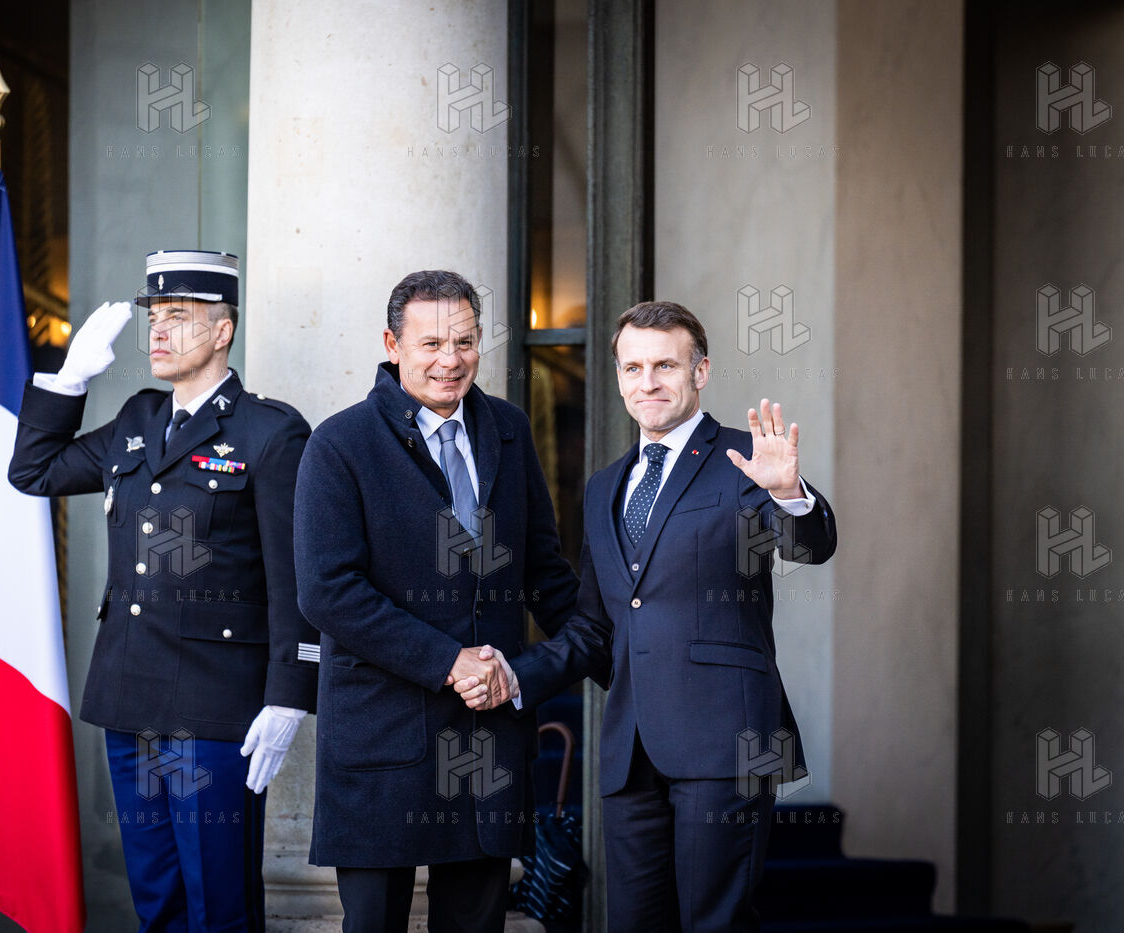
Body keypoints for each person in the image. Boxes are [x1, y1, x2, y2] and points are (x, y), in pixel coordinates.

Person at [8, 250, 319, 933]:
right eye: (154, 317)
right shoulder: (137, 419)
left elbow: (294, 578)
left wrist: (289, 695)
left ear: (222, 330)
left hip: (213, 707)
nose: (158, 331)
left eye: (178, 316)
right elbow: (34, 471)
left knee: (220, 909)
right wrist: (68, 379)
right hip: (129, 697)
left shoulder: (269, 433)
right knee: (157, 905)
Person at [293, 269, 608, 933]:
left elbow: (544, 574)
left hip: (487, 743)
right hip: (382, 739)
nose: (450, 360)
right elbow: (329, 592)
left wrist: (624, 659)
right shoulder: (339, 444)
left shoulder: (509, 429)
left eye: (464, 342)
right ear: (392, 344)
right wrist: (448, 661)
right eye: (431, 343)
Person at [582, 300, 837, 932]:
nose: (648, 382)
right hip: (631, 749)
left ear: (700, 372)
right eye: (633, 367)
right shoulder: (603, 487)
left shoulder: (748, 460)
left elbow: (810, 547)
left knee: (714, 924)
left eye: (665, 365)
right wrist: (511, 676)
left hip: (728, 741)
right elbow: (595, 624)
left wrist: (788, 494)